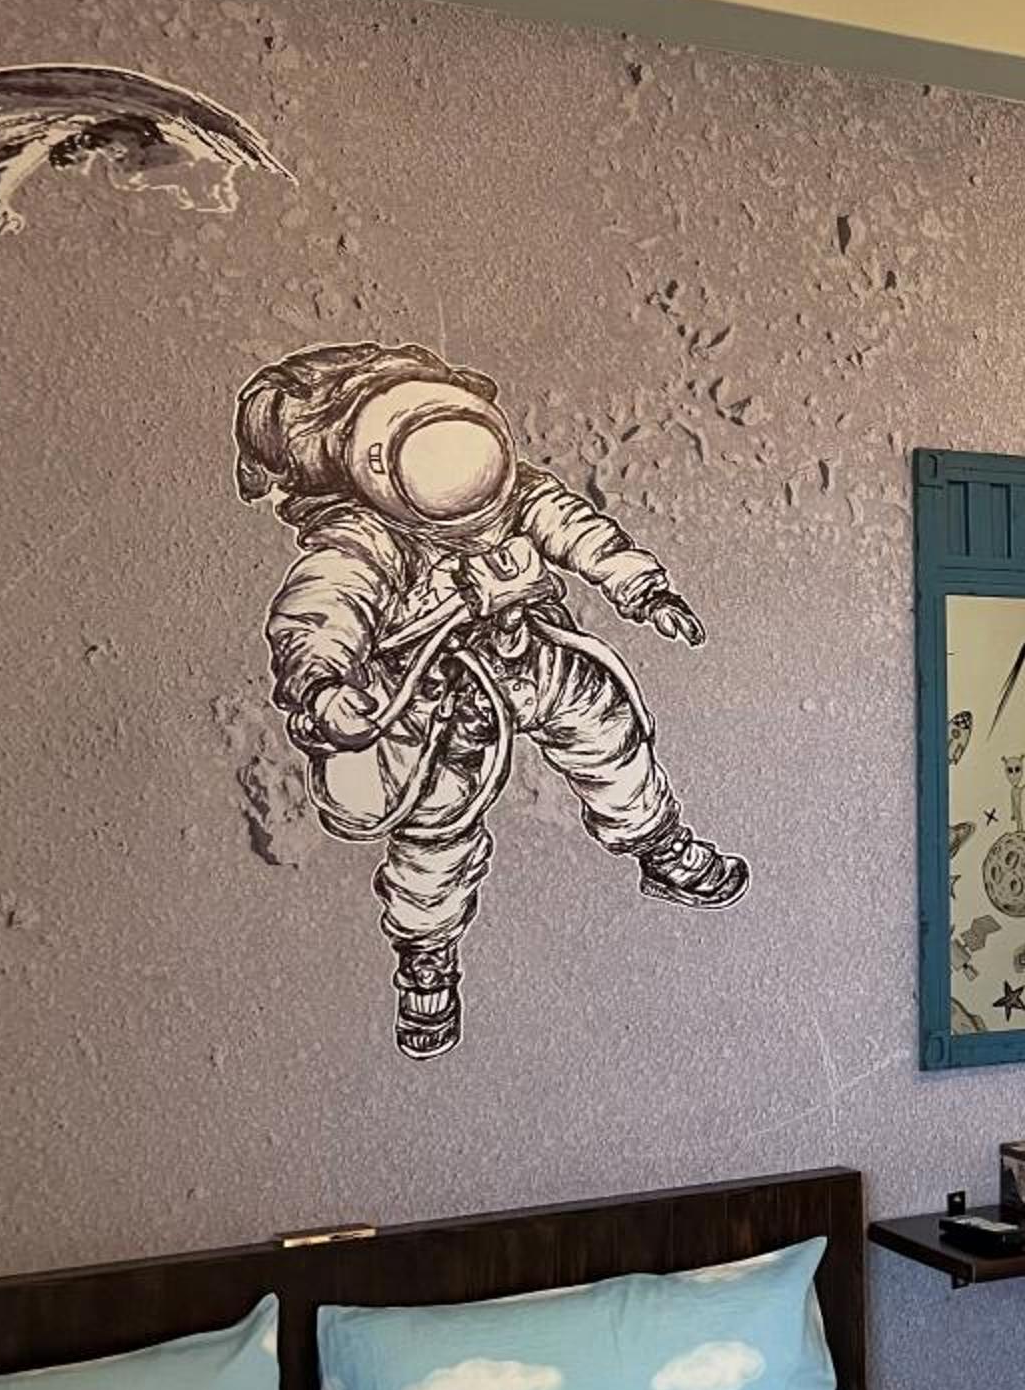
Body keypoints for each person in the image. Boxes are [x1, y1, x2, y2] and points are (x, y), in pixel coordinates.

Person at [236, 341, 745, 1059]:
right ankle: (426, 957)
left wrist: (640, 585)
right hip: (435, 703)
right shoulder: (362, 540)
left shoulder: (508, 486)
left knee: (610, 738)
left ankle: (659, 846)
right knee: (435, 831)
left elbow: (571, 525)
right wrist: (323, 686)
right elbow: (321, 610)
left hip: (530, 654)